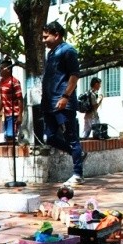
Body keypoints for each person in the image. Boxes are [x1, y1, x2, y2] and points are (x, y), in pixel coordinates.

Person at [42, 21, 86, 186]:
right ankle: (78, 155)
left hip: (63, 103)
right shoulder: (51, 53)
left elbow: (74, 76)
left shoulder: (68, 51)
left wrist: (65, 96)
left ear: (57, 35)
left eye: (46, 37)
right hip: (49, 103)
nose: (44, 40)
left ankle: (78, 173)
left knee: (71, 137)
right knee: (50, 137)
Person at [0, 59, 23, 142]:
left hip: (14, 114)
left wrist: (20, 115)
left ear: (8, 69)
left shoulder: (14, 82)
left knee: (11, 135)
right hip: (6, 114)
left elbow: (20, 99)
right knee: (7, 136)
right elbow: (2, 98)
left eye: (1, 68)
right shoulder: (1, 81)